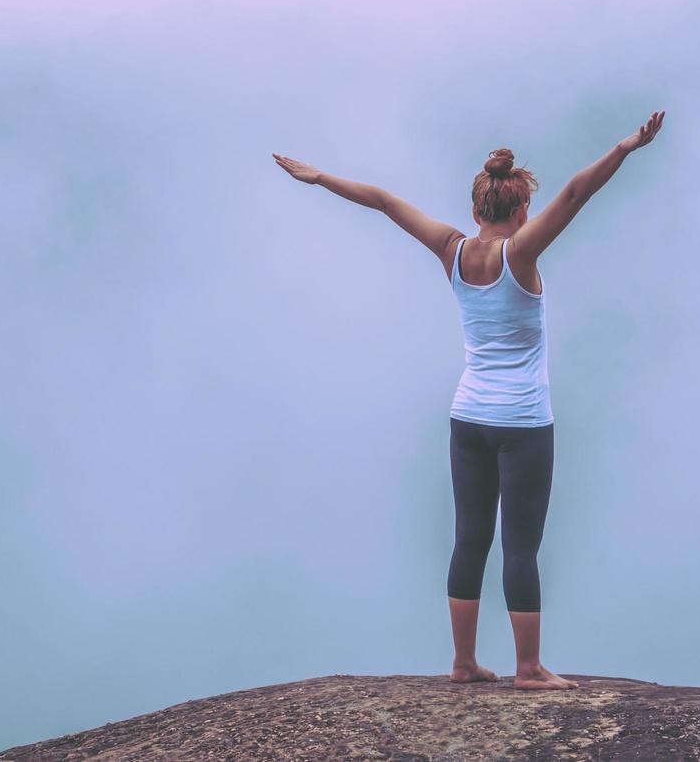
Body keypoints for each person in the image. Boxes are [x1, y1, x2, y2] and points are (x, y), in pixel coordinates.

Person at [271, 108, 665, 692]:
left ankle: (462, 662)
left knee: (469, 538)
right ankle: (528, 669)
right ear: (522, 208)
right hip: (524, 423)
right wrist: (626, 147)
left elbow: (381, 200)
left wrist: (321, 177)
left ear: (476, 209)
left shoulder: (450, 250)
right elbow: (578, 193)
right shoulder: (522, 253)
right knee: (521, 546)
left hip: (467, 418)